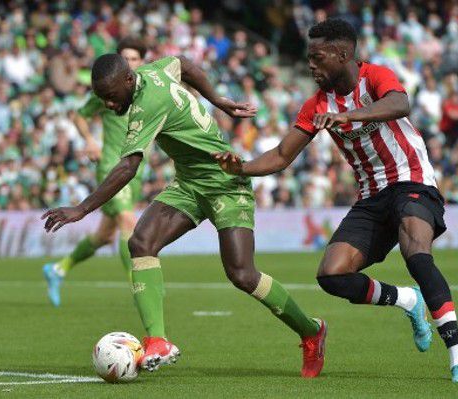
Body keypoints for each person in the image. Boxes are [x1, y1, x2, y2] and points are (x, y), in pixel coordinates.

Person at [214, 18, 458, 383]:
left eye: (317, 57)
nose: (311, 65)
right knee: (332, 275)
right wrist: (240, 168)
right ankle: (407, 300)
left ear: (342, 54)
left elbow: (400, 103)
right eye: (309, 58)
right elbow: (280, 155)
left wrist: (348, 116)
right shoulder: (316, 104)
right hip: (371, 197)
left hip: (412, 181)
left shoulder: (375, 77)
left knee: (416, 253)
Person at [41, 53, 327, 377]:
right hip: (189, 183)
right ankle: (157, 340)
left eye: (111, 97)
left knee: (242, 274)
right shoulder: (153, 71)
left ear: (128, 81)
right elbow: (184, 64)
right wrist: (217, 100)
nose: (108, 104)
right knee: (141, 243)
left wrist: (81, 208)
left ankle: (310, 330)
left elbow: (128, 167)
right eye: (101, 99)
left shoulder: (147, 104)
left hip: (225, 183)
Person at [42, 37, 148, 307]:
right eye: (126, 59)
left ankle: (58, 269)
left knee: (104, 236)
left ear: (142, 62)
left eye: (134, 59)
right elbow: (79, 116)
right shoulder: (109, 91)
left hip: (137, 168)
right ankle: (139, 288)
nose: (130, 64)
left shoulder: (148, 91)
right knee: (128, 221)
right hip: (113, 165)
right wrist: (90, 140)